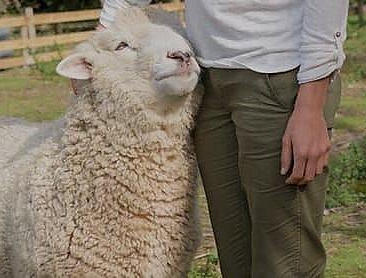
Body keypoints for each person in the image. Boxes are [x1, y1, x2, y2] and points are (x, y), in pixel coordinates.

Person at [98, 1, 349, 277]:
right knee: (235, 259)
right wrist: (106, 30)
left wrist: (311, 106)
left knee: (286, 263)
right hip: (208, 77)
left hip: (281, 73)